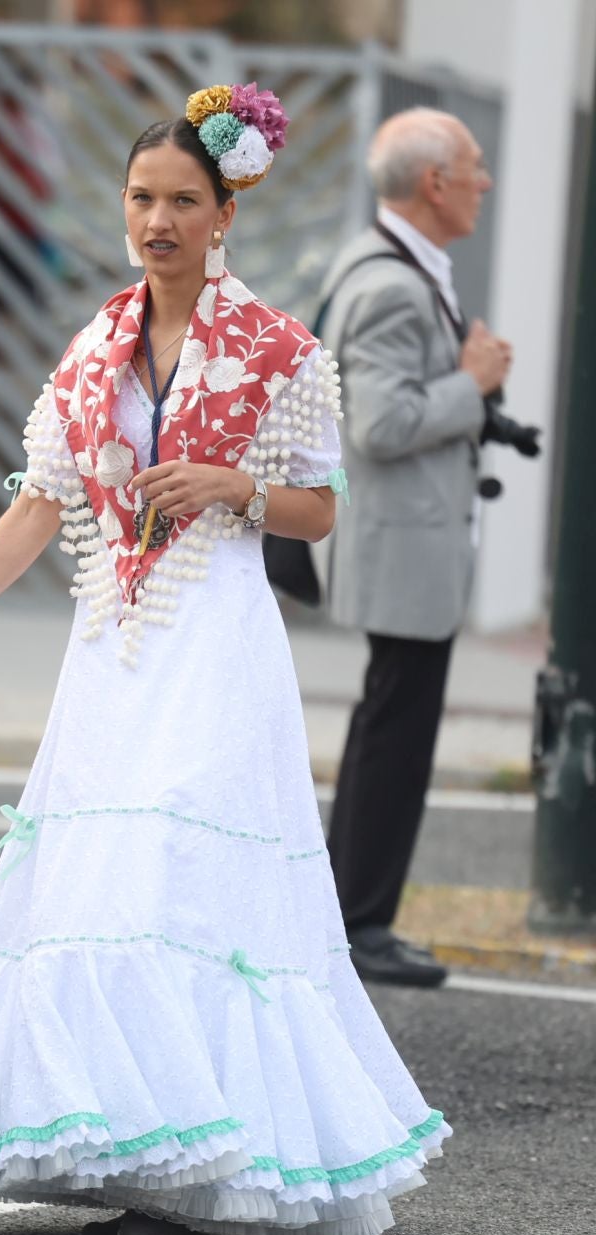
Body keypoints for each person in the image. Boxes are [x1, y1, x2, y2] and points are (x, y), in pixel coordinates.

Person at [0, 86, 447, 1235]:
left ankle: (211, 1173)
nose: (159, 219)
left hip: (217, 645)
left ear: (225, 210)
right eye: (142, 198)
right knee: (103, 890)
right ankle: (141, 1155)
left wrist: (237, 489)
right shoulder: (95, 346)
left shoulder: (280, 351)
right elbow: (44, 498)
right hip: (113, 653)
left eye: (184, 199)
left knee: (181, 881)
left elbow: (322, 511)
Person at [320, 109, 513, 988]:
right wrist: (470, 385)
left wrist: (472, 392)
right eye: (473, 167)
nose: (484, 181)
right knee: (393, 734)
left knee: (386, 726)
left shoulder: (395, 263)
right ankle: (359, 922)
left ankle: (350, 915)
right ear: (434, 182)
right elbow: (384, 421)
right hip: (401, 550)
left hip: (407, 545)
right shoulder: (391, 283)